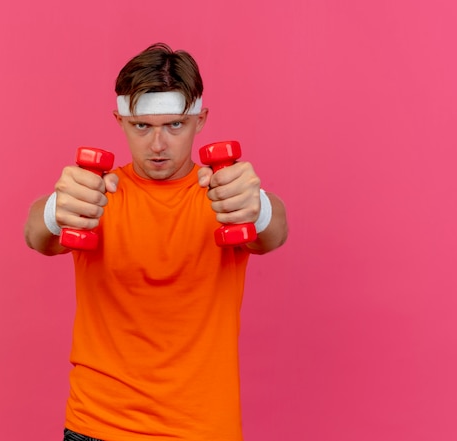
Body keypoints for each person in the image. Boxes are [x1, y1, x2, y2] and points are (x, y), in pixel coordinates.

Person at [24, 43, 288, 441]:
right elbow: (37, 237)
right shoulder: (97, 194)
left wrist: (261, 207)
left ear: (201, 120)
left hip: (202, 430)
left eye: (175, 125)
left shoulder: (224, 194)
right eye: (143, 127)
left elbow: (274, 233)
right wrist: (55, 207)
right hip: (98, 425)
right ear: (120, 121)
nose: (159, 145)